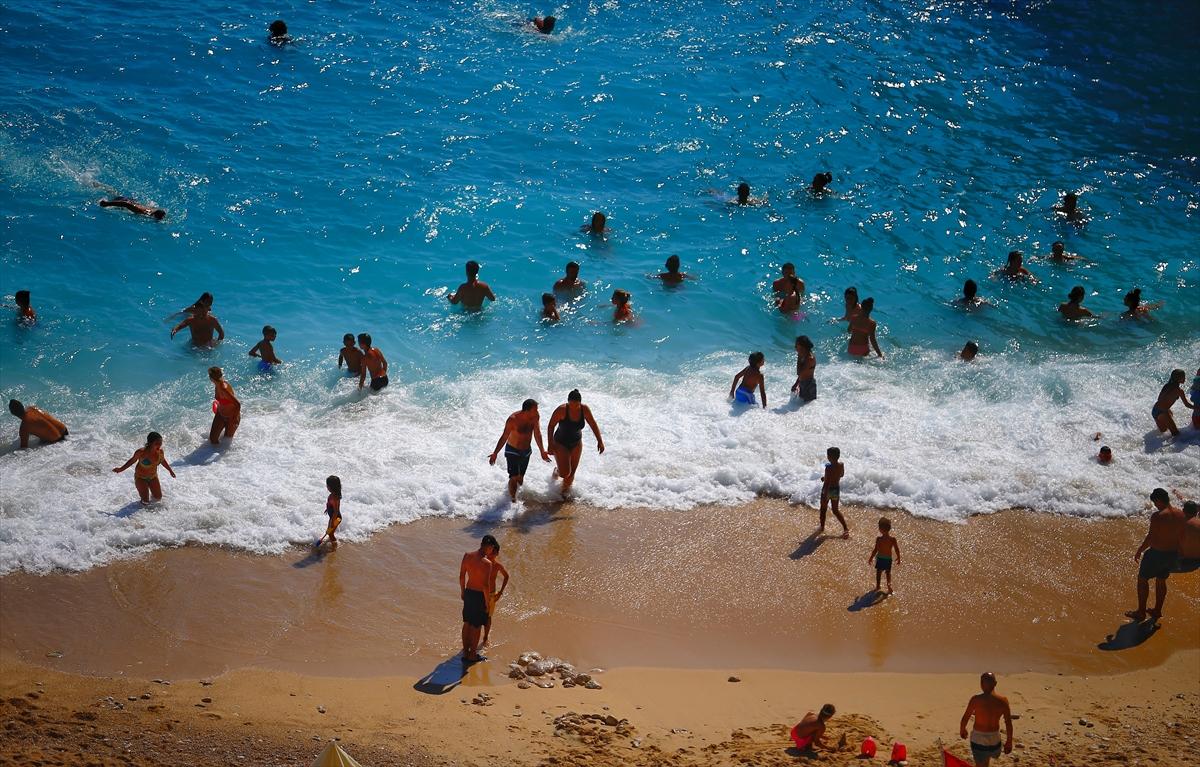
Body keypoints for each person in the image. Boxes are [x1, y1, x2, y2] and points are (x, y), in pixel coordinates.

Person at [1127, 488, 1186, 621]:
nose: (1154, 505)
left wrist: (1140, 550)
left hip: (1156, 554)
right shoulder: (1181, 514)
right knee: (1161, 581)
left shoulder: (1158, 516)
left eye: (1155, 503)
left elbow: (1151, 538)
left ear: (1159, 501)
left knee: (1142, 580)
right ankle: (1157, 610)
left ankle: (1141, 612)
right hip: (1172, 555)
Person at [488, 399, 550, 502]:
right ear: (527, 410)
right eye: (535, 410)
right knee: (514, 477)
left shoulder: (535, 417)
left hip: (526, 451)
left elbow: (537, 434)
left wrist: (542, 451)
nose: (537, 411)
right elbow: (504, 437)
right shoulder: (513, 419)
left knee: (520, 479)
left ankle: (514, 492)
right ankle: (513, 500)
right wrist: (495, 453)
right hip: (512, 450)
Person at [546, 389, 605, 495]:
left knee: (571, 473)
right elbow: (551, 426)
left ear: (580, 403)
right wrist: (550, 444)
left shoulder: (585, 409)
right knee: (564, 473)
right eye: (571, 405)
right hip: (560, 442)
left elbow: (593, 424)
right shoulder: (562, 409)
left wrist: (600, 441)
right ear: (568, 402)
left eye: (576, 405)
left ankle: (563, 495)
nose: (573, 407)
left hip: (576, 443)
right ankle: (557, 470)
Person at [459, 535, 500, 662]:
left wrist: (462, 592)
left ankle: (466, 652)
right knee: (476, 626)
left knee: (467, 623)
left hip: (468, 592)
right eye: (492, 549)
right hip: (479, 596)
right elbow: (485, 585)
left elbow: (461, 576)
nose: (491, 552)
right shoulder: (487, 564)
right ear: (489, 547)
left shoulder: (467, 556)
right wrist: (487, 602)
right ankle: (472, 656)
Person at [959, 672, 1014, 766]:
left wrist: (962, 729)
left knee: (980, 763)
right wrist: (1009, 742)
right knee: (986, 759)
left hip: (978, 738)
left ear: (981, 684)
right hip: (994, 740)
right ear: (995, 683)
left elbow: (966, 717)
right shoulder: (1003, 701)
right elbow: (1008, 723)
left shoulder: (975, 699)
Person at [112, 431, 176, 505]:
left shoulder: (160, 452)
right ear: (150, 443)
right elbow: (132, 461)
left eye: (160, 443)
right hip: (140, 477)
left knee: (158, 498)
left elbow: (163, 461)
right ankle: (138, 511)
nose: (159, 445)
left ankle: (150, 508)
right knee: (145, 502)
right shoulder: (141, 452)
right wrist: (120, 469)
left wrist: (170, 470)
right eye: (157, 443)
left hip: (153, 477)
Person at [481, 540, 511, 648]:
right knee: (478, 617)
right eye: (490, 552)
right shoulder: (483, 562)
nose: (491, 555)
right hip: (480, 593)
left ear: (497, 553)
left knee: (488, 618)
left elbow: (506, 576)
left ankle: (485, 637)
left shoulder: (498, 565)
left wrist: (500, 593)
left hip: (492, 595)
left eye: (494, 553)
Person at [1151, 369, 1194, 437]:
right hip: (1163, 412)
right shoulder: (1179, 391)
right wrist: (1196, 408)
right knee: (1176, 434)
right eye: (1183, 377)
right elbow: (1187, 404)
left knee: (1164, 430)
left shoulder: (1167, 386)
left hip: (1155, 410)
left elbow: (1159, 399)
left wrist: (1167, 408)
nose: (1185, 378)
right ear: (1179, 378)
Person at [820, 447, 849, 538]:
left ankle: (822, 527)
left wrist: (824, 492)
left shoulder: (828, 468)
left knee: (823, 509)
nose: (827, 456)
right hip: (835, 489)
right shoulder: (841, 465)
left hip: (827, 490)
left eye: (828, 455)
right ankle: (845, 528)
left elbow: (827, 481)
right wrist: (827, 478)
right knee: (835, 510)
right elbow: (841, 475)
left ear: (830, 457)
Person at [208, 366, 241, 444]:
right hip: (220, 414)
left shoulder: (224, 388)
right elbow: (223, 400)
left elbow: (237, 404)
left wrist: (234, 418)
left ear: (211, 378)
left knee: (226, 441)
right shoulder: (217, 385)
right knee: (213, 440)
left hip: (231, 417)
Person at [868, 517, 901, 594]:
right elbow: (897, 549)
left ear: (880, 529)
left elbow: (875, 550)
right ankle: (889, 586)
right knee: (888, 573)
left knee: (878, 573)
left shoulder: (879, 539)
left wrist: (871, 558)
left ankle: (878, 586)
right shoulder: (892, 539)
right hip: (888, 559)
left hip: (880, 558)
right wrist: (899, 557)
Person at [316, 476, 342, 548]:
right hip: (333, 517)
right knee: (329, 531)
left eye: (327, 485)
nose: (326, 486)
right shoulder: (332, 495)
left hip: (336, 518)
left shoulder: (335, 497)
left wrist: (332, 522)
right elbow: (331, 505)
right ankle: (331, 540)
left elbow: (336, 511)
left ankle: (334, 547)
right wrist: (328, 509)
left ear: (331, 487)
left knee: (330, 533)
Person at [1176, 501, 1200, 574]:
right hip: (1198, 561)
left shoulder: (1177, 524)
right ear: (1196, 512)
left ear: (1183, 511)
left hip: (1183, 563)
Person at [791, 335, 816, 402]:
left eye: (796, 346)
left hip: (808, 385)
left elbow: (799, 372)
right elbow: (801, 374)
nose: (795, 347)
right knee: (802, 406)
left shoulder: (809, 359)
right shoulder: (803, 355)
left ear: (803, 347)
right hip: (803, 383)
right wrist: (796, 384)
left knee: (808, 407)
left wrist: (799, 357)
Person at [98, 196, 166, 220]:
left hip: (131, 201)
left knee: (114, 192)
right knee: (113, 194)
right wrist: (106, 204)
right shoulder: (142, 212)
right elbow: (126, 204)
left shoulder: (153, 210)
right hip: (123, 201)